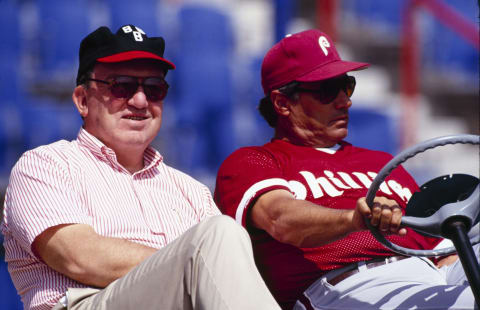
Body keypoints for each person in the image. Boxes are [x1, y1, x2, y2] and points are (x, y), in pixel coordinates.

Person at [1, 24, 280, 310]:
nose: (140, 100)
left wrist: (197, 260)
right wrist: (194, 259)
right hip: (84, 303)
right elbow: (78, 256)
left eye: (154, 88)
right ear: (83, 100)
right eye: (121, 86)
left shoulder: (191, 191)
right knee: (219, 234)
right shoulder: (45, 165)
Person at [214, 29, 478, 310]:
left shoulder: (380, 161)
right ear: (282, 103)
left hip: (431, 272)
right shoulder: (254, 161)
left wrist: (448, 258)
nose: (345, 101)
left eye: (346, 85)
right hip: (349, 284)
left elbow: (431, 236)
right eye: (327, 90)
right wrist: (353, 219)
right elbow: (280, 219)